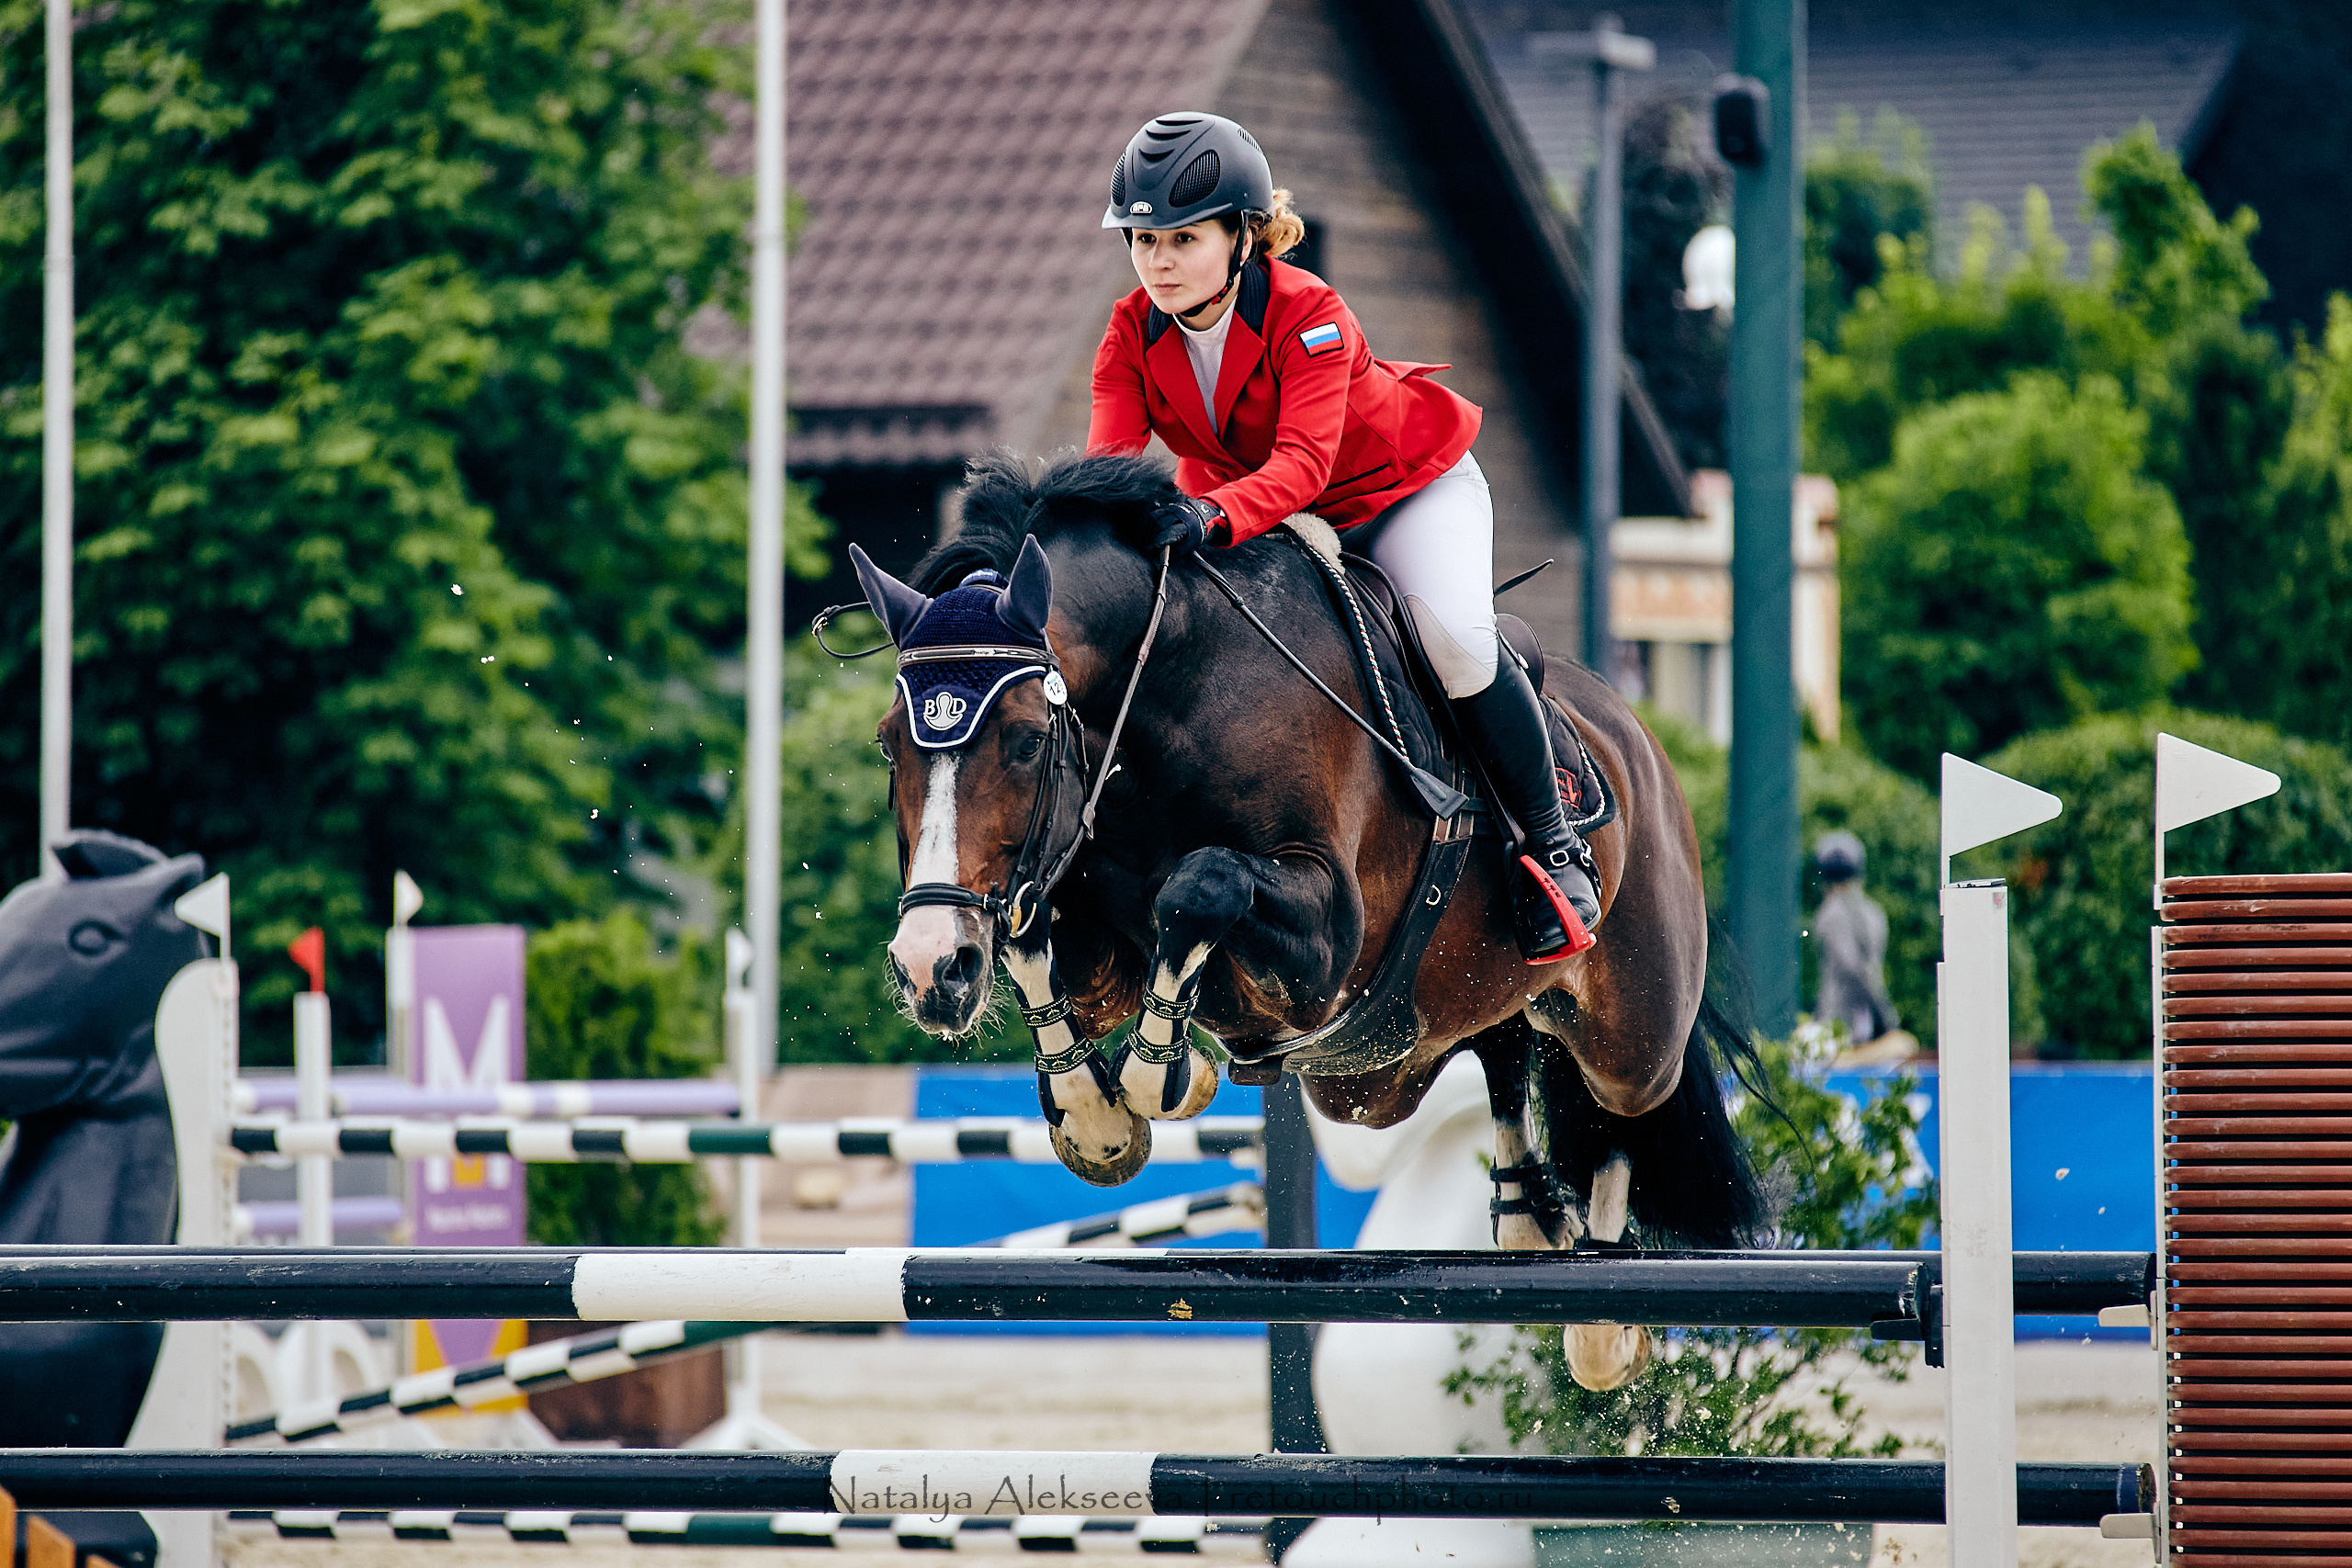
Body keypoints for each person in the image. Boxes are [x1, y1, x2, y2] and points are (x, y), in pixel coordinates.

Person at [1086, 112, 1598, 963]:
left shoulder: (1308, 311)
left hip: (1397, 492)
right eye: (1143, 241)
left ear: (1244, 237)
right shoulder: (1127, 332)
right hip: (1261, 513)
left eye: (1182, 238)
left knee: (1455, 642)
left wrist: (1205, 516)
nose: (1158, 261)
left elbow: (1303, 464)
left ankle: (1552, 843)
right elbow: (1108, 472)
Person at [1812, 830, 1899, 1044]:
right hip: (1867, 1019)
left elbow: (1853, 969)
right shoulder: (1874, 912)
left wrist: (1885, 1019)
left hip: (1839, 1024)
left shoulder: (1830, 912)